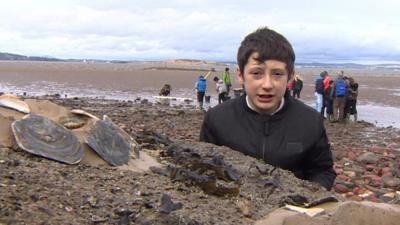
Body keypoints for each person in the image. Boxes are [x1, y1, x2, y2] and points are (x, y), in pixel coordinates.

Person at [200, 27, 336, 190]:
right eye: (256, 73)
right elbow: (204, 168)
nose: (267, 85)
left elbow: (323, 171)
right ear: (241, 75)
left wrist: (306, 199)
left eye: (277, 74)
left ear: (291, 76)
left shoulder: (310, 121)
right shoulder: (217, 119)